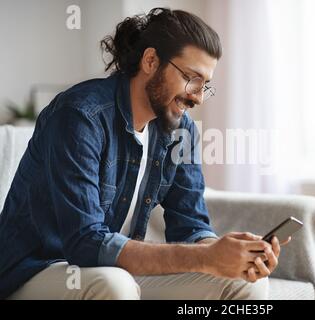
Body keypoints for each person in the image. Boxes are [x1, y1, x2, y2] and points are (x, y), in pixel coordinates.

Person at [0, 7, 288, 300]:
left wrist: (226, 254)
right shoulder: (80, 116)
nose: (198, 97)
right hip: (37, 269)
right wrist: (205, 258)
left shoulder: (181, 130)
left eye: (206, 85)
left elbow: (190, 225)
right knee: (114, 285)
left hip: (112, 270)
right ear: (151, 60)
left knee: (244, 282)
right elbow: (85, 243)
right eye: (192, 78)